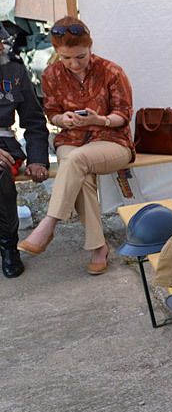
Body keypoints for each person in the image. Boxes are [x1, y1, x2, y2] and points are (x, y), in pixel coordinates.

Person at [18, 16, 134, 275]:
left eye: (80, 56)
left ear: (90, 47)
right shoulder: (51, 75)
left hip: (111, 140)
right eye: (66, 58)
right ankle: (99, 247)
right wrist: (63, 120)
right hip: (70, 139)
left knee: (75, 161)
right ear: (57, 53)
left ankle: (49, 223)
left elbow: (124, 115)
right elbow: (52, 113)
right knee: (79, 174)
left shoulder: (111, 71)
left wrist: (100, 120)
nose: (74, 64)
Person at [0, 22, 49, 278]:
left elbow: (34, 121)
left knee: (1, 173)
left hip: (5, 146)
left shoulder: (14, 69)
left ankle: (8, 247)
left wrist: (38, 159)